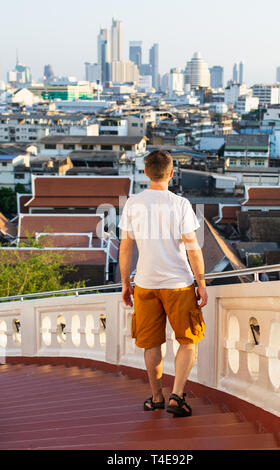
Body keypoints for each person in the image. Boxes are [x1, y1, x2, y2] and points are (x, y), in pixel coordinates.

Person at [118, 150, 208, 417]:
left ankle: (157, 396)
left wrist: (125, 283)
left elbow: (125, 248)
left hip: (145, 283)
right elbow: (193, 249)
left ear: (146, 173)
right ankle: (177, 396)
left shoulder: (133, 204)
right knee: (188, 340)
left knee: (151, 344)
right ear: (171, 173)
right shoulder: (180, 204)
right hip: (179, 283)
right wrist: (201, 282)